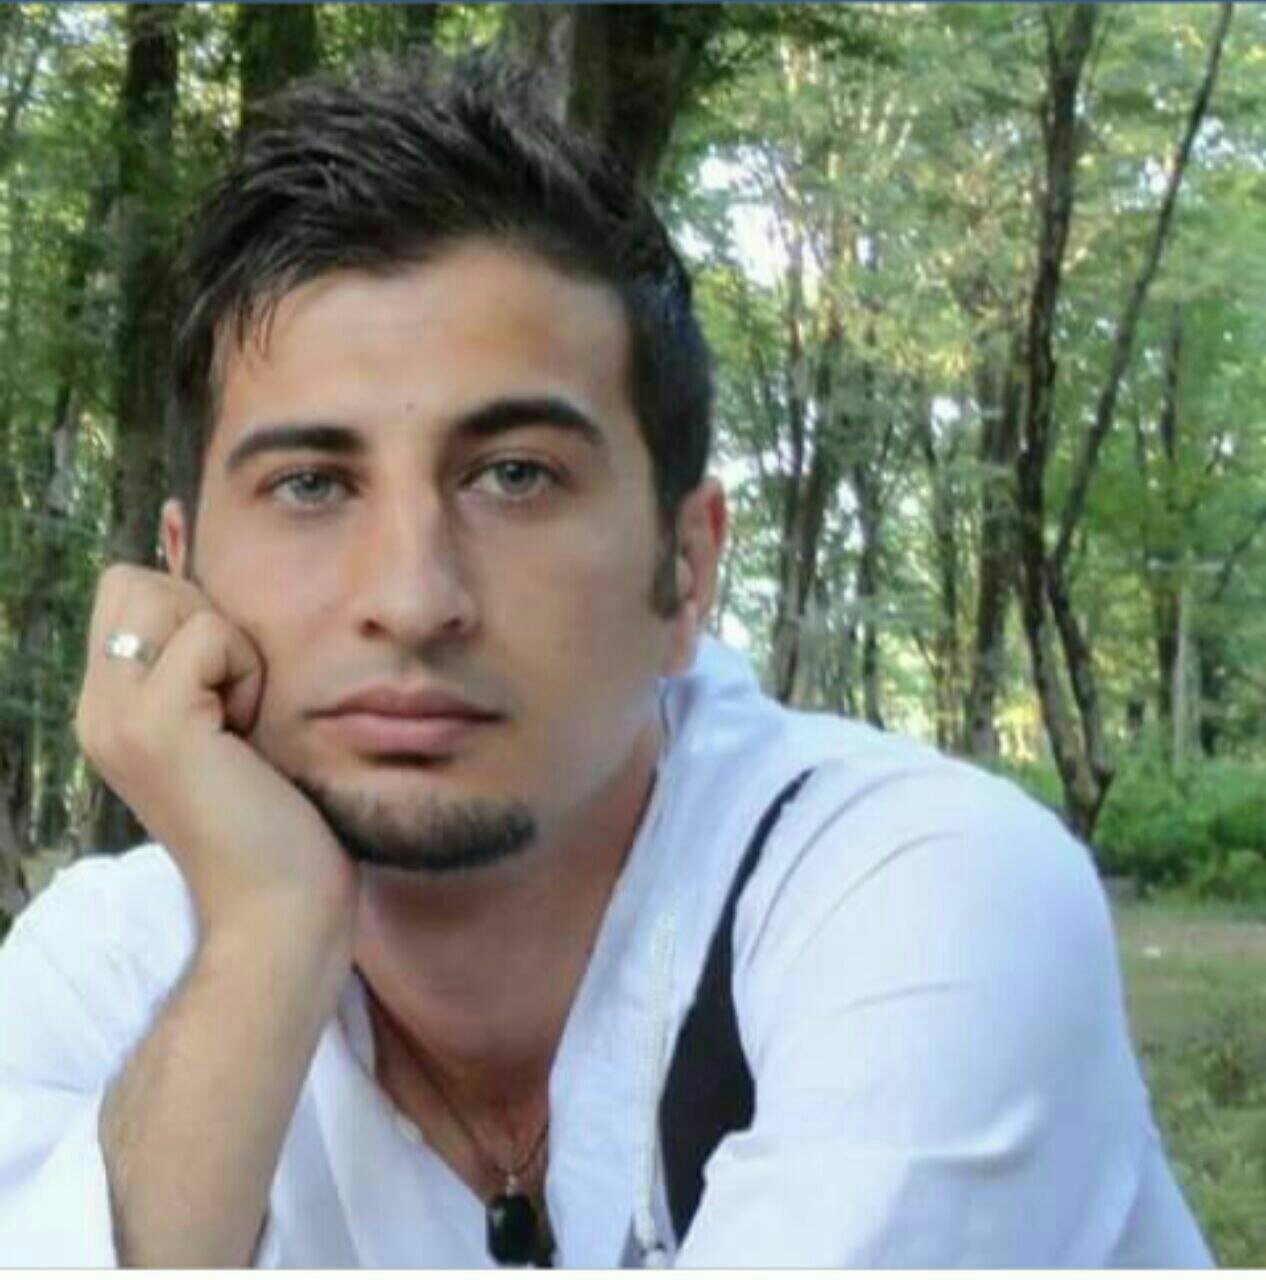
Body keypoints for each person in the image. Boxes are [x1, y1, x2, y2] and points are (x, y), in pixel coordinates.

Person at [0, 56, 1211, 1268]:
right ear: (183, 574)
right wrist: (266, 936)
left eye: (514, 474)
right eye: (311, 484)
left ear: (685, 567)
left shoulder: (922, 895)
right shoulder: (109, 969)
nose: (413, 600)